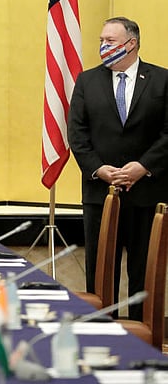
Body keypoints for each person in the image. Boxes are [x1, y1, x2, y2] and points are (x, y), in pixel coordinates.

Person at [68, 17, 168, 321]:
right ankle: (100, 331)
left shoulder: (162, 80)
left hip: (147, 193)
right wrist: (99, 169)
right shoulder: (87, 81)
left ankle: (143, 339)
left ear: (131, 44)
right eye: (101, 40)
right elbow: (77, 133)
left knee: (145, 272)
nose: (103, 46)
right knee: (100, 274)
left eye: (109, 41)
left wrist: (143, 167)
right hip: (102, 193)